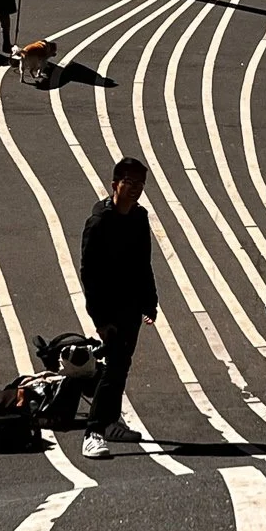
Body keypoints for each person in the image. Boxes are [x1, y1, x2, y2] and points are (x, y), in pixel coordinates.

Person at [79, 157, 159, 459]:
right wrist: (99, 318)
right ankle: (93, 432)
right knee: (114, 366)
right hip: (108, 307)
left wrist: (150, 301)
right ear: (115, 184)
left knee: (121, 365)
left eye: (140, 184)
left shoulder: (139, 219)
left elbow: (144, 263)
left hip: (132, 305)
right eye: (130, 182)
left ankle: (110, 423)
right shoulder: (98, 222)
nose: (135, 189)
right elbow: (89, 272)